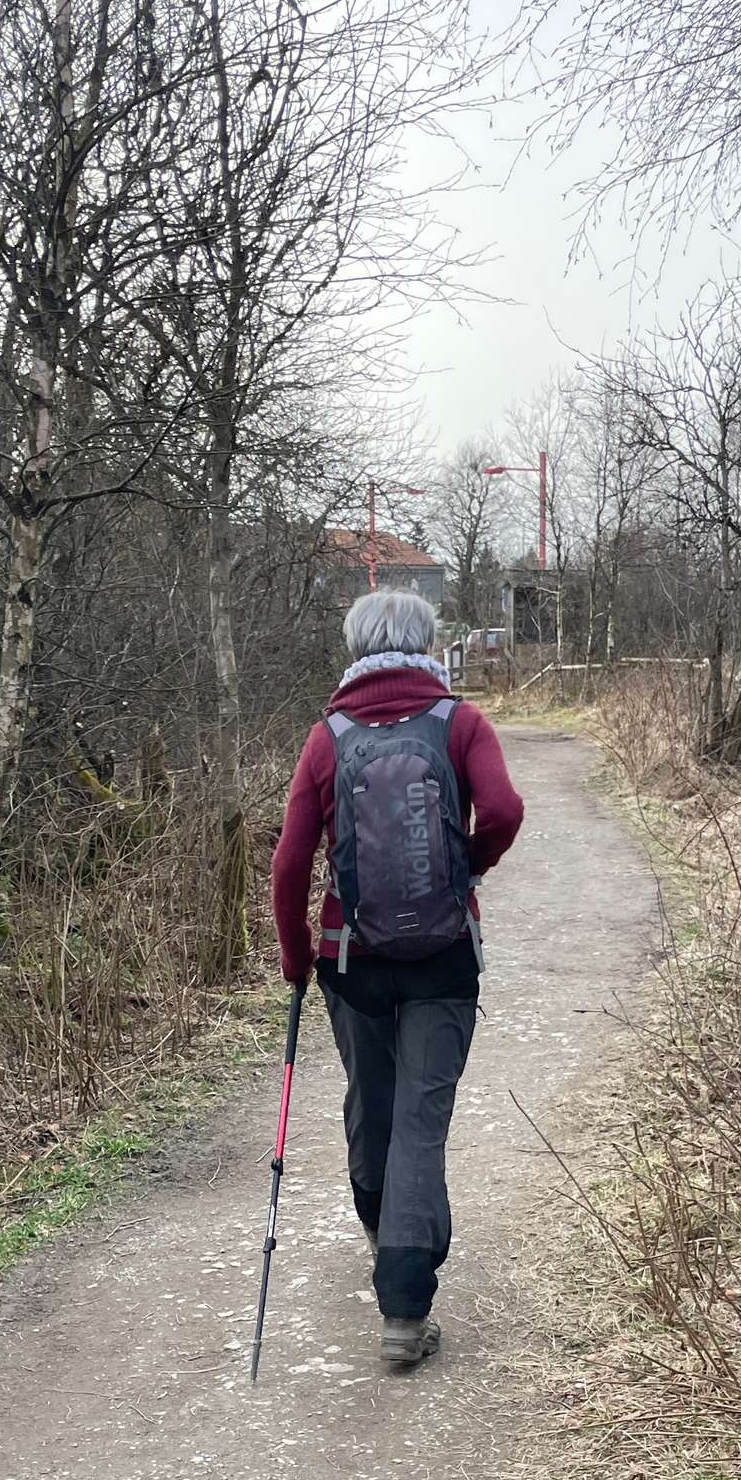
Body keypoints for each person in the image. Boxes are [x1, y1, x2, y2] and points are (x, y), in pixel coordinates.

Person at [271, 587, 525, 1372]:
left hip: (352, 961)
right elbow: (504, 810)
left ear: (356, 649)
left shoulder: (329, 737)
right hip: (444, 958)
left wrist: (296, 957)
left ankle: (385, 1237)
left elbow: (289, 865)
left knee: (372, 1106)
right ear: (427, 643)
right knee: (420, 1122)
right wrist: (464, 869)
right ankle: (405, 1309)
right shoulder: (460, 722)